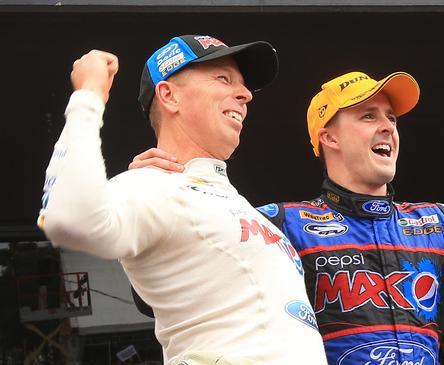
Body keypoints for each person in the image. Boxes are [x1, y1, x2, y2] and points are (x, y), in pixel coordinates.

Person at [131, 71, 444, 364]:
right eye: (368, 116)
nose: (387, 127)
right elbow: (157, 296)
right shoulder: (278, 225)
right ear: (328, 138)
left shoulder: (441, 225)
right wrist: (160, 204)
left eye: (392, 119)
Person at [37, 35, 327, 365]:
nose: (245, 94)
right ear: (169, 96)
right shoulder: (153, 185)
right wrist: (88, 97)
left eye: (244, 86)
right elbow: (67, 217)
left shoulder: (237, 206)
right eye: (223, 78)